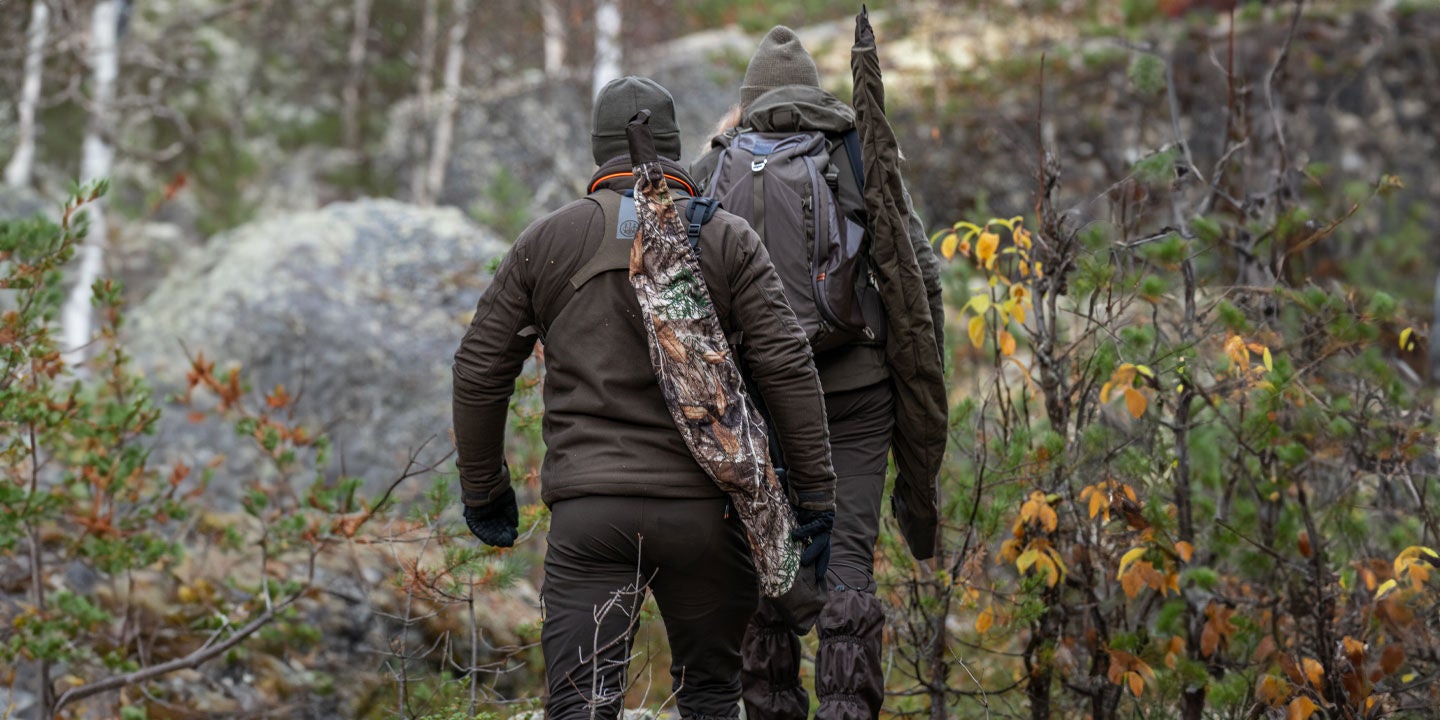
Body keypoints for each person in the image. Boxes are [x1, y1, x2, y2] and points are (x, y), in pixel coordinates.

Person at [452, 76, 837, 720]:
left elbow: (479, 369)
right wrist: (816, 500)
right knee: (712, 697)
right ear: (677, 145)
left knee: (581, 703)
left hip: (591, 516)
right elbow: (787, 367)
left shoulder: (549, 240)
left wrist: (484, 489)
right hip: (707, 521)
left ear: (599, 148)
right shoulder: (727, 238)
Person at [692, 26, 947, 720]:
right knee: (848, 571)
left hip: (761, 399)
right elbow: (919, 273)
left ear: (749, 102)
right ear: (814, 91)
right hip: (856, 393)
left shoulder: (718, 165)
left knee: (768, 565)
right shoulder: (856, 150)